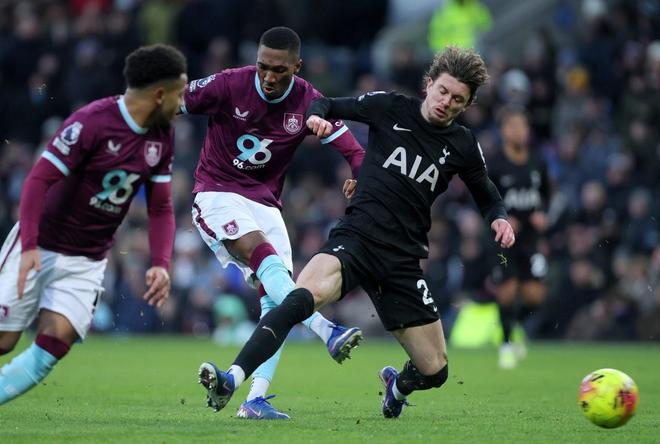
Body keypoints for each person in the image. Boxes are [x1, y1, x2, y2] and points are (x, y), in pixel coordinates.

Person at [197, 45, 515, 418]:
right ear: (429, 84)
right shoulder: (390, 107)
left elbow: (485, 192)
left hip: (402, 260)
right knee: (299, 299)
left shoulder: (462, 144)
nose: (446, 102)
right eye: (443, 91)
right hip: (356, 240)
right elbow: (324, 104)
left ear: (468, 104)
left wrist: (499, 217)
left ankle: (397, 386)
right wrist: (316, 119)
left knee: (436, 370)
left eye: (457, 99)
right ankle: (232, 379)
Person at [181, 27, 365, 419]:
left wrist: (359, 177)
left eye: (279, 70)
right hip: (217, 192)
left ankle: (252, 398)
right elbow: (172, 102)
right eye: (263, 66)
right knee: (262, 255)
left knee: (276, 300)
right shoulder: (229, 84)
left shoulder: (310, 102)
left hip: (265, 204)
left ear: (297, 67)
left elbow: (356, 153)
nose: (268, 76)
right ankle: (326, 330)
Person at [0, 44, 187, 404]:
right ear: (159, 94)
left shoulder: (162, 135)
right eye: (179, 94)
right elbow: (38, 180)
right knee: (4, 340)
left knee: (56, 341)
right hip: (40, 243)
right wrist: (29, 246)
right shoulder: (92, 122)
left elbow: (161, 207)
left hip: (88, 258)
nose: (183, 103)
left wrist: (161, 263)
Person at [488, 106, 550, 369]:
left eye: (522, 126)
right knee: (508, 290)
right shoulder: (495, 164)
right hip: (503, 239)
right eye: (512, 126)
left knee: (535, 296)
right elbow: (484, 198)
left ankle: (514, 325)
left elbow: (546, 193)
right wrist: (501, 218)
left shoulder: (537, 161)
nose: (518, 131)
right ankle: (505, 344)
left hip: (531, 240)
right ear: (503, 131)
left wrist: (542, 213)